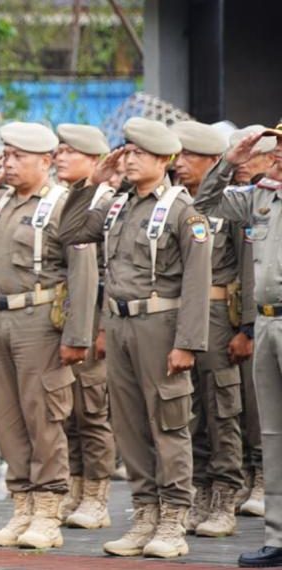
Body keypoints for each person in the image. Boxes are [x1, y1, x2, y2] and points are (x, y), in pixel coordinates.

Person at [60, 117, 211, 559]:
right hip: (120, 324)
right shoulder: (118, 205)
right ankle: (144, 515)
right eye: (126, 152)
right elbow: (71, 232)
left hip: (161, 326)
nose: (129, 160)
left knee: (168, 423)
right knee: (128, 426)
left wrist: (187, 343)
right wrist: (93, 183)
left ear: (164, 160)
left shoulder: (183, 211)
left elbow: (197, 282)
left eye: (139, 154)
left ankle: (173, 520)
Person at [0, 122, 98, 550]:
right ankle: (22, 506)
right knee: (8, 418)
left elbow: (83, 276)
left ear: (46, 161)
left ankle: (47, 511)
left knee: (43, 416)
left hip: (41, 321)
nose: (9, 164)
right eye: (6, 155)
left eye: (19, 157)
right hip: (0, 319)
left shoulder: (64, 205)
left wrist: (77, 336)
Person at [187, 128, 282, 568]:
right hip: (266, 321)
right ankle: (278, 536)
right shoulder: (261, 198)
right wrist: (229, 160)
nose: (276, 155)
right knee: (273, 434)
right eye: (276, 147)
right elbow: (205, 205)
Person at [171, 120, 249, 538]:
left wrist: (246, 327)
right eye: (178, 155)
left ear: (214, 161)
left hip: (219, 315)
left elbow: (247, 268)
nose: (179, 163)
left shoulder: (232, 205)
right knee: (190, 410)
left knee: (223, 408)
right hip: (182, 314)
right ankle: (199, 490)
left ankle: (225, 496)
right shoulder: (174, 203)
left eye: (190, 156)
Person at [52, 124, 117, 530]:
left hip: (93, 319)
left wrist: (102, 327)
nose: (59, 157)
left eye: (69, 151)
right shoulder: (70, 200)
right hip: (68, 317)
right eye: (58, 150)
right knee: (69, 411)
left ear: (95, 160)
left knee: (92, 411)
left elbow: (104, 274)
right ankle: (75, 488)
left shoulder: (106, 201)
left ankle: (97, 496)